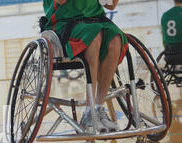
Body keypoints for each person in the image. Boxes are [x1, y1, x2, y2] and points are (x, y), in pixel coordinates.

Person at [43, 0, 128, 132]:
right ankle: (89, 111)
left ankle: (99, 107)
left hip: (95, 21)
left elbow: (109, 4)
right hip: (65, 24)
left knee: (115, 37)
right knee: (94, 34)